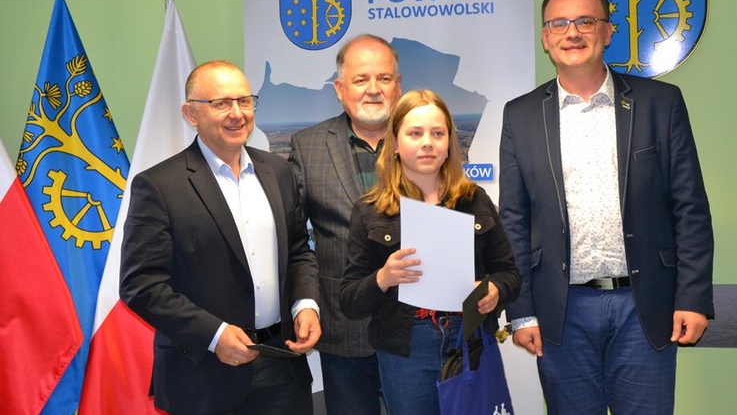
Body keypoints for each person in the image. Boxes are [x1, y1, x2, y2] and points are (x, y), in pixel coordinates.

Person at [499, 0, 714, 414]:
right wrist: (520, 312)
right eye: (559, 23)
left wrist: (692, 298)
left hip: (644, 305)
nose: (572, 32)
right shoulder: (520, 115)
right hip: (562, 310)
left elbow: (689, 207)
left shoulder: (660, 103)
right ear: (545, 38)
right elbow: (514, 220)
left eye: (585, 21)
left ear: (608, 31)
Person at [120, 60, 321, 415]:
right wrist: (213, 335)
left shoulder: (278, 171)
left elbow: (298, 249)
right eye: (221, 103)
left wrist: (305, 305)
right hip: (203, 375)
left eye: (244, 101)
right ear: (191, 114)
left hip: (282, 366)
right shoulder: (159, 186)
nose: (237, 113)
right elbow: (141, 284)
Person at [340, 89, 521, 415]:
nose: (427, 143)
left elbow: (509, 274)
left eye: (438, 133)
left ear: (449, 143)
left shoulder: (475, 200)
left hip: (468, 340)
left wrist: (495, 290)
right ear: (395, 144)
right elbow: (350, 300)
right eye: (415, 133)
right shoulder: (370, 211)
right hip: (405, 349)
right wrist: (383, 278)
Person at [288, 34, 401, 414]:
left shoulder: (426, 138)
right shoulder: (308, 146)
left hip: (418, 327)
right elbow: (293, 241)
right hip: (344, 329)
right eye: (361, 79)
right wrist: (303, 304)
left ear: (398, 86)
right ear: (340, 89)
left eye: (384, 78)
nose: (374, 89)